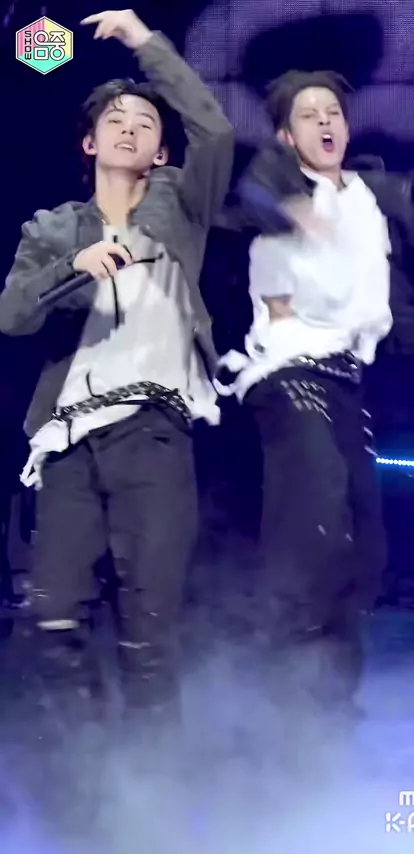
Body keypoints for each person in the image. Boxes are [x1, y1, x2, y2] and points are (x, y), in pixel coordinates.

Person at [216, 70, 414, 712]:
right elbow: (249, 199)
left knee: (364, 548)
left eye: (332, 111)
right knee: (318, 528)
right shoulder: (277, 181)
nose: (325, 122)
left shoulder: (377, 194)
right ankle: (284, 684)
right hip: (286, 372)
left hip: (347, 378)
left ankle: (331, 700)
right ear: (286, 135)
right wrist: (293, 210)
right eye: (309, 115)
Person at [0, 9, 233, 716]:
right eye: (116, 120)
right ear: (89, 141)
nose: (130, 129)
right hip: (69, 438)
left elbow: (216, 132)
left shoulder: (182, 208)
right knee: (52, 616)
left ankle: (150, 773)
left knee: (149, 626)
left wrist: (143, 42)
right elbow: (11, 315)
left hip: (154, 431)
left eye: (145, 123)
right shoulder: (53, 228)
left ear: (161, 152)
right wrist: (73, 267)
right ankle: (89, 763)